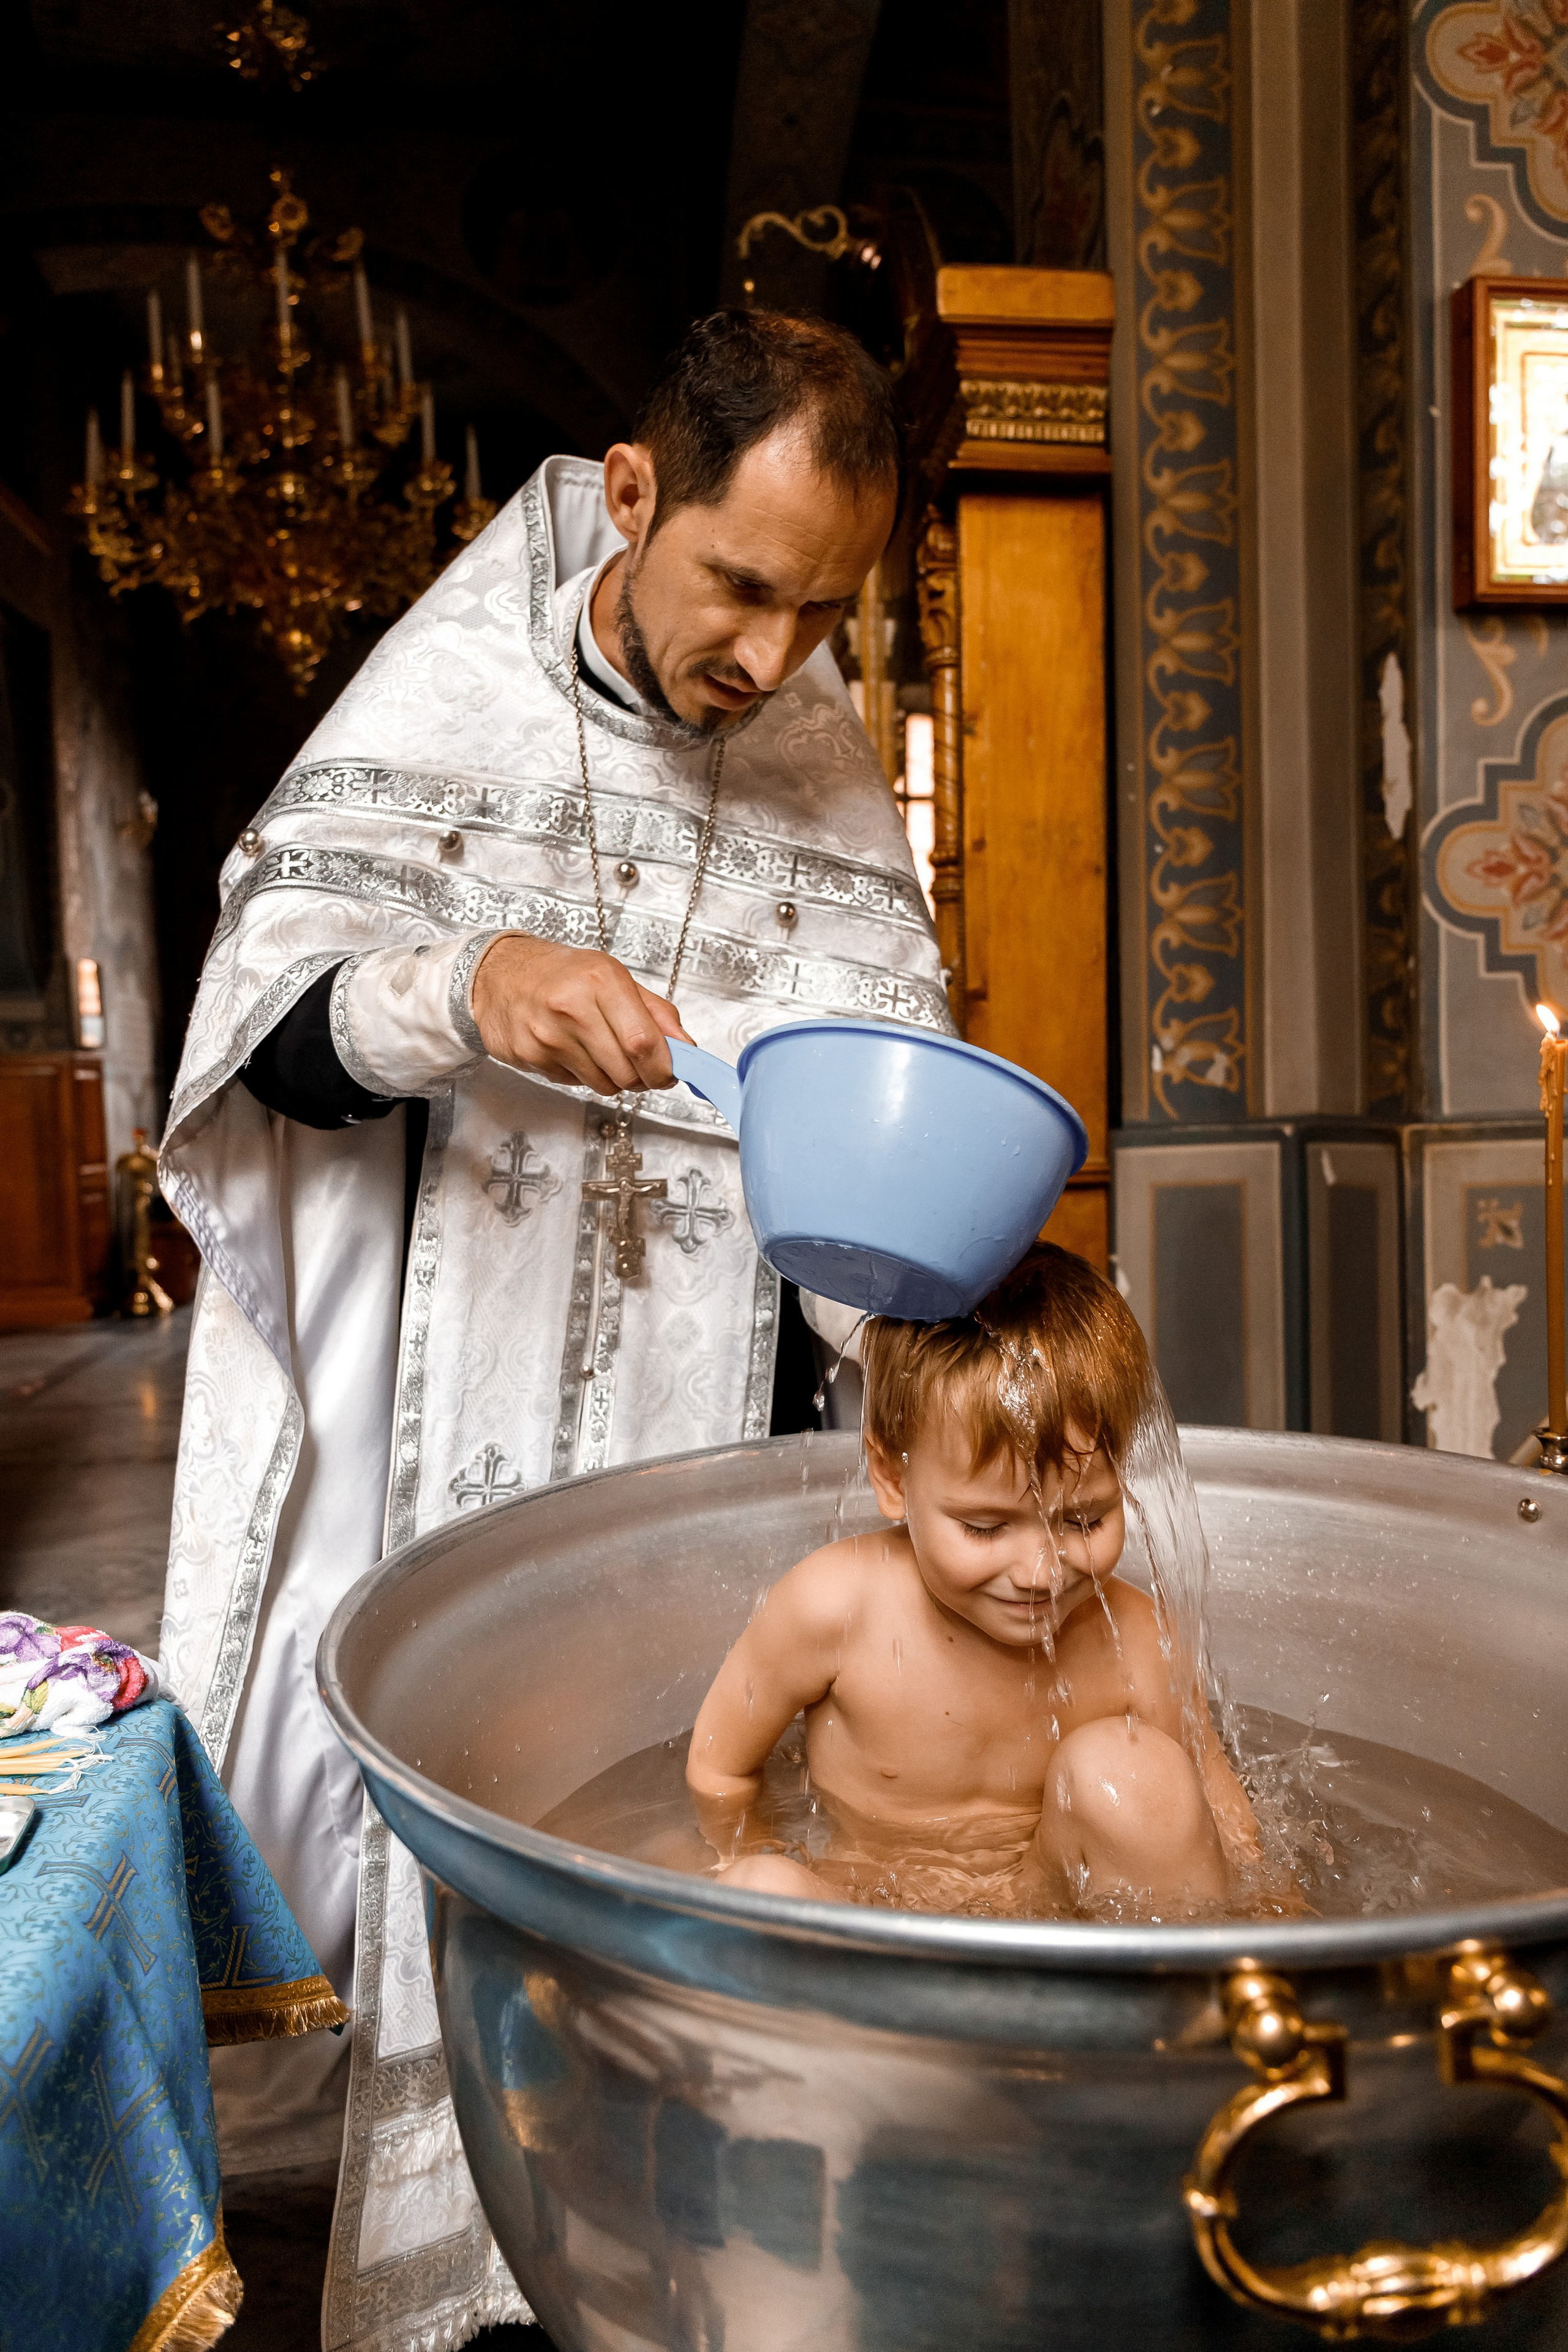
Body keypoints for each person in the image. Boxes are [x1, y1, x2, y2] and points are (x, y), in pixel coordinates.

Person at [156, 308, 949, 2351]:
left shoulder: (810, 748)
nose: (772, 658)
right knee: (487, 1888)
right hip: (467, 1433)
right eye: (742, 587)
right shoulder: (454, 690)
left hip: (724, 1466)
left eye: (824, 607)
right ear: (630, 497)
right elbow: (273, 1037)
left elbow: (878, 1098)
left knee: (723, 1915)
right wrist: (466, 979)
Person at [687, 1245, 1268, 1920]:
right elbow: (718, 1771)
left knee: (1134, 1773)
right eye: (986, 1528)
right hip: (868, 1924)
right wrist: (752, 1851)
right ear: (894, 1477)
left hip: (1046, 1916)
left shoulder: (1134, 1637)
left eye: (1084, 1519)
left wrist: (1272, 1919)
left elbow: (1223, 1819)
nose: (1040, 1573)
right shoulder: (834, 1609)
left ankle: (1171, 2003)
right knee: (759, 1892)